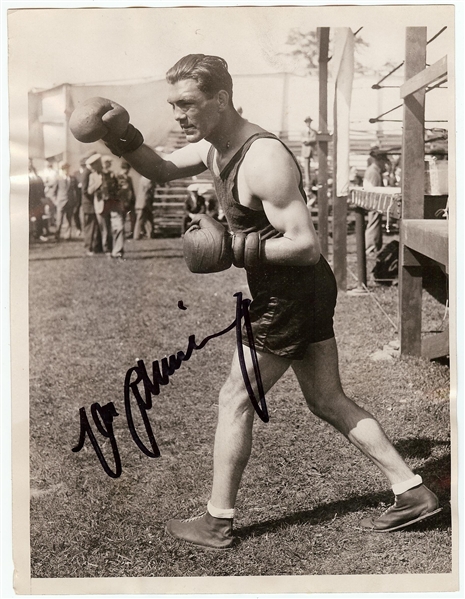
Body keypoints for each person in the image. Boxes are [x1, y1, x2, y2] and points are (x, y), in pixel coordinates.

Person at [70, 54, 441, 549]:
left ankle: (217, 521)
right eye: (172, 105)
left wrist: (234, 247)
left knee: (235, 397)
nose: (179, 115)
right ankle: (413, 491)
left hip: (292, 290)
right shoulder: (214, 149)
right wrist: (121, 135)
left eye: (188, 104)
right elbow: (159, 169)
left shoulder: (262, 156)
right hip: (291, 289)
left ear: (220, 98)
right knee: (327, 400)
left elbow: (305, 243)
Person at [86, 154, 125, 259]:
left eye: (94, 166)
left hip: (113, 203)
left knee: (119, 226)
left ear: (99, 164)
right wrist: (98, 183)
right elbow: (89, 191)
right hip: (101, 205)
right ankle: (108, 251)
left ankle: (118, 252)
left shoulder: (112, 174)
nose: (93, 168)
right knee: (105, 231)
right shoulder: (92, 176)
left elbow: (120, 187)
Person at [363, 149, 390, 256]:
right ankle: (371, 248)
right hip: (373, 201)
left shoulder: (373, 171)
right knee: (373, 222)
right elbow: (375, 190)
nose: (384, 164)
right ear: (379, 160)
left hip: (372, 200)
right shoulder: (374, 172)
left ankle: (373, 246)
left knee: (374, 222)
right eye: (383, 162)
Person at [75, 157, 102, 255]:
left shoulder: (88, 172)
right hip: (89, 204)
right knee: (89, 227)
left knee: (93, 226)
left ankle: (95, 247)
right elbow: (85, 191)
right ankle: (88, 248)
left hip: (90, 204)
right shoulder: (87, 173)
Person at [52, 161, 79, 241]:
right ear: (61, 170)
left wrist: (75, 200)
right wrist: (55, 201)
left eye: (67, 169)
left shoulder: (72, 178)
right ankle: (57, 235)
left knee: (68, 219)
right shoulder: (58, 179)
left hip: (70, 202)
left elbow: (76, 190)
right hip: (60, 202)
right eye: (64, 169)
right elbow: (53, 191)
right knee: (59, 220)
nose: (66, 171)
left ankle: (67, 236)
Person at [28, 159, 48, 242]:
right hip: (28, 200)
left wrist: (43, 198)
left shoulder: (38, 177)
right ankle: (29, 234)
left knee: (38, 217)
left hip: (37, 200)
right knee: (28, 218)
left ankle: (38, 234)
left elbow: (41, 189)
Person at [117, 161, 136, 238]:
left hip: (130, 200)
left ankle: (132, 233)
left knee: (132, 218)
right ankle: (122, 233)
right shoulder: (118, 177)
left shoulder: (129, 178)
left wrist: (133, 198)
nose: (128, 171)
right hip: (122, 200)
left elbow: (131, 189)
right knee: (122, 217)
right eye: (127, 169)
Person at [133, 175, 155, 240]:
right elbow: (147, 191)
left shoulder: (142, 178)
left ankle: (150, 234)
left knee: (148, 219)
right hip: (144, 203)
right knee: (141, 220)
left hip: (142, 202)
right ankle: (136, 235)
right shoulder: (148, 179)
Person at [300, 116, 317, 197]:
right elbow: (303, 140)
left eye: (309, 122)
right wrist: (308, 140)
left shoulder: (314, 131)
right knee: (307, 169)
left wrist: (308, 140)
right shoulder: (303, 131)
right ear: (305, 123)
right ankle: (308, 185)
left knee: (317, 167)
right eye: (307, 122)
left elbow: (314, 140)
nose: (308, 123)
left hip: (313, 152)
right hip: (306, 152)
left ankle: (316, 182)